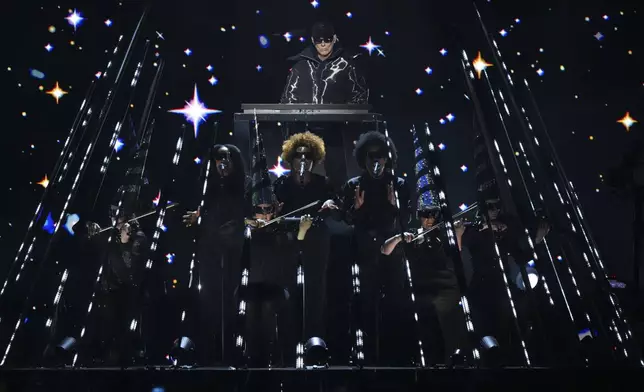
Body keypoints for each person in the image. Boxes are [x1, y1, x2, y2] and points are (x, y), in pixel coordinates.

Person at [340, 131, 412, 365]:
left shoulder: (399, 185)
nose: (375, 161)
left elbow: (406, 221)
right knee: (366, 303)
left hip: (393, 255)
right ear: (363, 158)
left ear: (387, 158)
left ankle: (397, 356)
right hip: (365, 254)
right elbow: (347, 220)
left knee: (395, 301)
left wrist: (394, 206)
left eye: (379, 156)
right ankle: (367, 356)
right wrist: (357, 209)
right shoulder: (354, 185)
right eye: (370, 156)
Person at [271, 132, 338, 361]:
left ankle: (314, 342)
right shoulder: (281, 183)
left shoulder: (323, 183)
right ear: (290, 159)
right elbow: (274, 216)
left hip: (316, 242)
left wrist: (331, 205)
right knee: (287, 289)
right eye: (298, 156)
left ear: (314, 159)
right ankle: (286, 344)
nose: (302, 160)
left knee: (316, 290)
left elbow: (334, 207)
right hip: (288, 242)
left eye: (307, 156)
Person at [182, 144, 248, 366]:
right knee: (208, 298)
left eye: (228, 158)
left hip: (233, 250)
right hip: (209, 249)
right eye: (219, 158)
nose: (223, 162)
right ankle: (207, 350)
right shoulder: (206, 188)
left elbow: (246, 215)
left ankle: (229, 349)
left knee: (230, 299)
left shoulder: (242, 187)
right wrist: (196, 218)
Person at [381, 206, 465, 365]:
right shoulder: (412, 234)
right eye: (424, 216)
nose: (428, 220)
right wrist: (399, 238)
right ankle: (419, 359)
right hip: (418, 286)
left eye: (432, 216)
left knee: (439, 320)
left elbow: (455, 255)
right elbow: (385, 250)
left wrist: (458, 234)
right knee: (416, 322)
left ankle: (444, 359)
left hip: (441, 286)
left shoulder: (442, 234)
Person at [85, 212, 148, 367]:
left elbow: (130, 268)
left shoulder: (138, 237)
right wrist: (89, 226)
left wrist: (125, 242)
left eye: (120, 219)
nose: (116, 222)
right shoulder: (111, 235)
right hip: (110, 290)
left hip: (131, 292)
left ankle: (129, 355)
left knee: (125, 327)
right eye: (114, 218)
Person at [280, 22, 368, 105]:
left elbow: (359, 98)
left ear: (334, 39)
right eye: (318, 40)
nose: (323, 44)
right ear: (313, 40)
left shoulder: (347, 66)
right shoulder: (300, 68)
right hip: (305, 120)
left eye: (327, 40)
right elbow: (288, 100)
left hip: (339, 121)